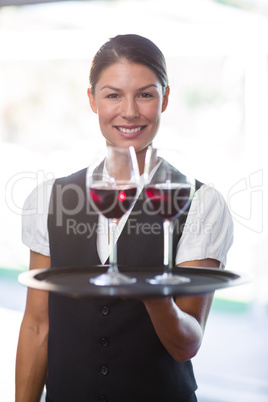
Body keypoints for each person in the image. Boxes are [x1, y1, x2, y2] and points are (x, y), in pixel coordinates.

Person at [15, 34, 233, 402]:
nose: (129, 111)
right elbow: (38, 325)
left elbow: (186, 345)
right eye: (113, 95)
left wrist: (155, 298)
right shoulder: (49, 198)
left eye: (145, 94)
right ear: (92, 100)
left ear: (164, 99)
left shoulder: (200, 203)